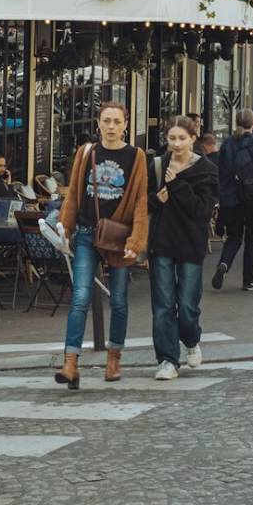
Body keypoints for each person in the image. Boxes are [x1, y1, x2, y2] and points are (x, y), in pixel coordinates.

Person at [54, 101, 150, 389]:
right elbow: (74, 193)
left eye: (116, 121)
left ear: (125, 124)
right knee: (81, 296)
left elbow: (141, 201)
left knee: (119, 299)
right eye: (106, 121)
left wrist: (136, 239)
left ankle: (114, 357)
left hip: (119, 236)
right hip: (86, 232)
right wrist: (64, 226)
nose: (110, 127)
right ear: (98, 123)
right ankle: (70, 363)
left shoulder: (137, 156)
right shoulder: (87, 152)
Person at [146, 118, 220, 380]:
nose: (176, 144)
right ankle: (167, 359)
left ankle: (191, 340)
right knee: (163, 304)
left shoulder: (206, 170)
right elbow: (143, 202)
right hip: (162, 241)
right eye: (172, 138)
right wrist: (156, 199)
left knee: (188, 305)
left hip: (190, 242)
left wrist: (176, 185)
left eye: (181, 138)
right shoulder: (156, 165)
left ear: (192, 138)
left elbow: (202, 210)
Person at [211, 109, 253, 292]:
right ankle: (249, 280)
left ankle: (223, 264)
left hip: (232, 199)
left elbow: (220, 171)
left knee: (234, 237)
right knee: (252, 239)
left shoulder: (228, 144)